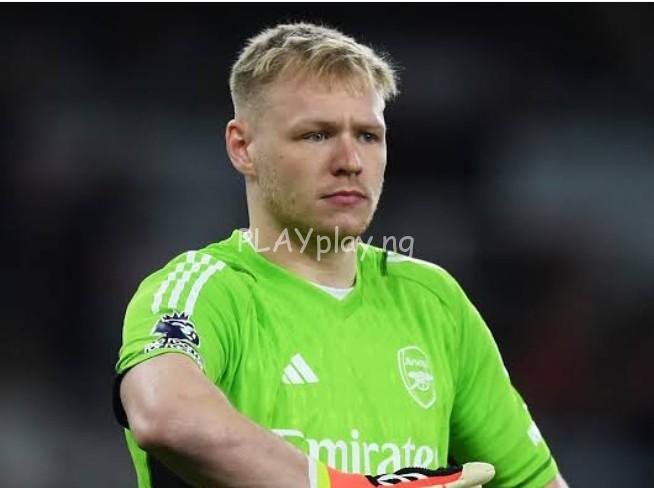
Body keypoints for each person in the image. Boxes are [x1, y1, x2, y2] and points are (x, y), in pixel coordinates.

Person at [113, 22, 568, 488]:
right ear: (243, 147)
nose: (350, 161)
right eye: (317, 135)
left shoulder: (434, 303)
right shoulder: (206, 290)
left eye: (368, 136)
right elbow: (164, 414)